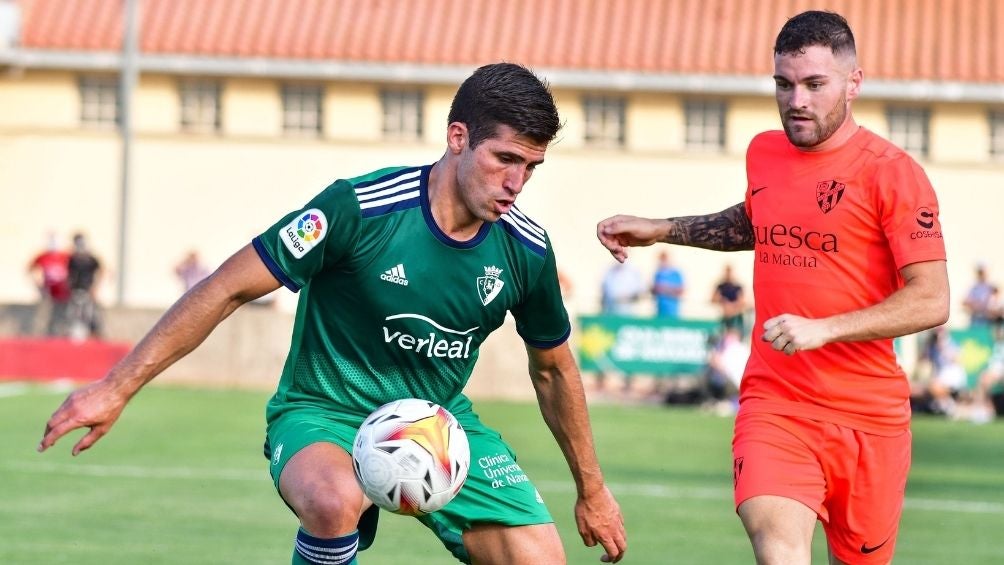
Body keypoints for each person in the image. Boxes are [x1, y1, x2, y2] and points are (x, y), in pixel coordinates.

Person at [39, 63, 626, 565]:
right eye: (504, 159)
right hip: (324, 411)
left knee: (541, 558)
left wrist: (592, 490)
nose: (516, 182)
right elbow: (224, 289)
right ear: (457, 137)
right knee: (331, 499)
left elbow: (553, 369)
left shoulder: (525, 249)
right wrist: (116, 387)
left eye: (531, 167)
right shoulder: (358, 210)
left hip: (439, 423)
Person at [596, 11, 948, 564]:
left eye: (814, 84)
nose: (796, 100)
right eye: (783, 84)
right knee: (778, 550)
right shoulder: (764, 150)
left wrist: (823, 330)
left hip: (870, 419)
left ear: (853, 83)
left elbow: (932, 298)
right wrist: (660, 229)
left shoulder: (892, 173)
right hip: (776, 402)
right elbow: (756, 220)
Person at [27, 232, 71, 336]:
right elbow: (30, 269)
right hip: (48, 290)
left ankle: (63, 332)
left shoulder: (65, 256)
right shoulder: (42, 256)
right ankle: (47, 333)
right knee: (46, 313)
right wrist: (38, 285)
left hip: (63, 290)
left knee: (63, 313)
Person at [66, 232, 103, 339]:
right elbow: (69, 274)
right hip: (75, 290)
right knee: (73, 313)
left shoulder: (91, 259)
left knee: (89, 314)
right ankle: (75, 334)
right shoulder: (72, 259)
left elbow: (101, 271)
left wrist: (95, 287)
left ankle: (92, 334)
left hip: (87, 290)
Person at [711, 264, 746, 335]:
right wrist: (723, 302)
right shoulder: (720, 286)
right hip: (724, 315)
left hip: (735, 316)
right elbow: (713, 299)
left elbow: (742, 302)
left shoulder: (737, 287)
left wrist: (731, 307)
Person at [651, 250, 684, 319]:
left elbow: (680, 290)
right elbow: (654, 289)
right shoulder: (658, 274)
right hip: (659, 310)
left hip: (672, 310)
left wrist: (665, 288)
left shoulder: (676, 273)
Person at [962, 263, 995, 328]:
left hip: (988, 320)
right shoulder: (974, 288)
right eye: (979, 273)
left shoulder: (990, 288)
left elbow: (992, 303)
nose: (981, 275)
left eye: (982, 273)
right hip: (976, 319)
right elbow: (966, 302)